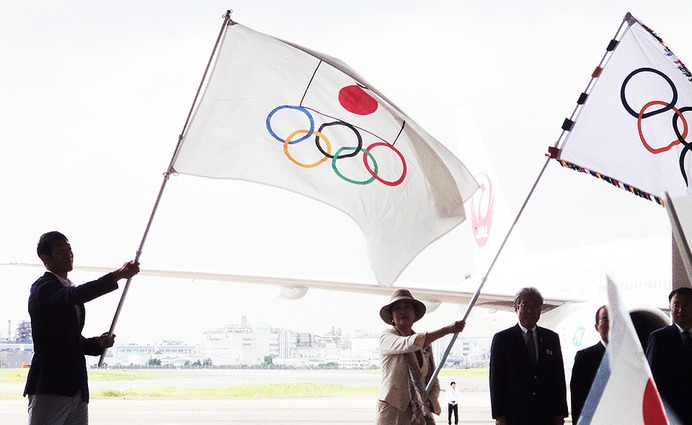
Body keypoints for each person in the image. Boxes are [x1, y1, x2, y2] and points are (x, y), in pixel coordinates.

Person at [23, 231, 140, 425]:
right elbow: (73, 295)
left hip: (76, 389)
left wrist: (96, 343)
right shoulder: (43, 288)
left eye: (69, 249)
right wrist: (117, 275)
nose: (68, 254)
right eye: (61, 250)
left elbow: (68, 339)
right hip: (51, 386)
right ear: (46, 259)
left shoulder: (66, 289)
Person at [377, 289, 466, 425]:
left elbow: (432, 378)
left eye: (407, 307)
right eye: (397, 309)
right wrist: (447, 330)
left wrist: (429, 399)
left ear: (414, 314)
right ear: (391, 317)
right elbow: (408, 343)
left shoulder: (424, 345)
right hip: (393, 407)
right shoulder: (387, 337)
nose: (403, 311)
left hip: (418, 409)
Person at [489, 287, 568, 425]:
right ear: (516, 308)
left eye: (535, 305)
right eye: (525, 305)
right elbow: (496, 380)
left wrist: (560, 413)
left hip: (546, 415)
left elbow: (558, 378)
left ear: (540, 309)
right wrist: (499, 415)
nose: (530, 311)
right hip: (515, 414)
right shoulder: (503, 339)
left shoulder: (551, 338)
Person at [645, 286, 692, 424]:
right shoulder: (659, 338)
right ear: (670, 308)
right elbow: (653, 379)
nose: (680, 310)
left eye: (686, 305)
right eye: (676, 305)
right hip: (673, 415)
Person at [570, 305, 609, 424]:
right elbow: (578, 399)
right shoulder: (584, 358)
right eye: (605, 320)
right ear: (597, 327)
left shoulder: (631, 357)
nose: (611, 324)